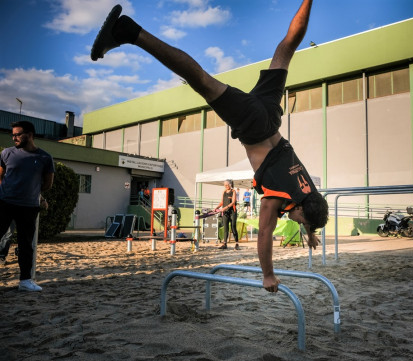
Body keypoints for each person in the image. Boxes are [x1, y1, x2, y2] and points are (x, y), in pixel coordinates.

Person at [91, 0, 328, 292]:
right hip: (253, 126)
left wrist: (310, 232)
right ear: (302, 212)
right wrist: (268, 274)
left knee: (285, 49)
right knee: (201, 81)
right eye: (302, 222)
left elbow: (309, 208)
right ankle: (130, 31)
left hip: (269, 116)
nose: (297, 221)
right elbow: (265, 232)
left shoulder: (309, 192)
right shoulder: (277, 198)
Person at [0, 121, 55, 291]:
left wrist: (31, 193)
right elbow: (0, 176)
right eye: (13, 134)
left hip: (28, 207)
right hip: (5, 203)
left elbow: (47, 184)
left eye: (18, 134)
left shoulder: (45, 158)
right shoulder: (6, 153)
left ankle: (25, 281)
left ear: (30, 135)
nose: (14, 137)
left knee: (26, 244)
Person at [214, 180, 239, 250]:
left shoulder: (233, 191)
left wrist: (225, 208)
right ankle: (225, 244)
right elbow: (222, 202)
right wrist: (217, 207)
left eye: (227, 185)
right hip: (225, 213)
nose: (226, 186)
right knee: (226, 228)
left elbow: (233, 202)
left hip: (232, 212)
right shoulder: (224, 192)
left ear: (230, 184)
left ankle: (237, 243)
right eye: (225, 185)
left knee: (233, 227)